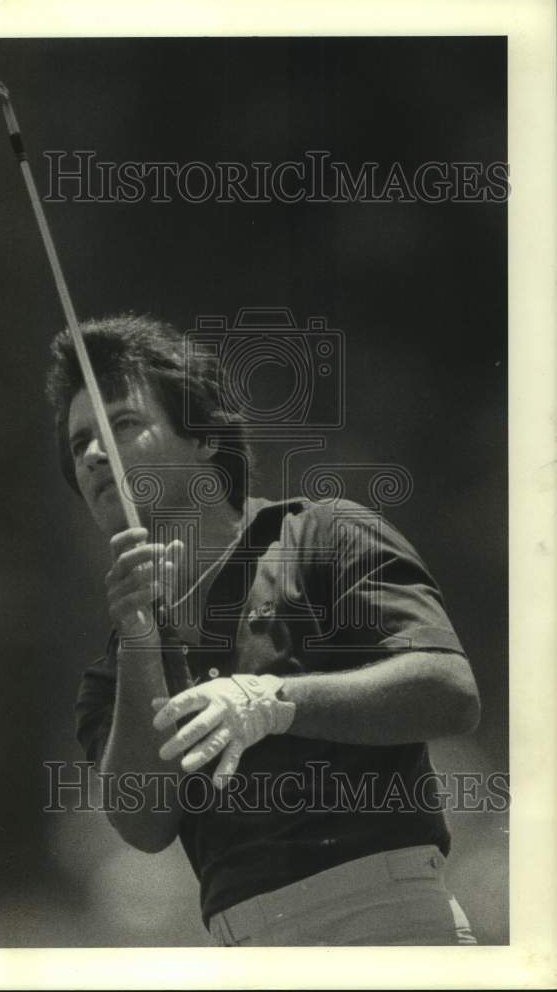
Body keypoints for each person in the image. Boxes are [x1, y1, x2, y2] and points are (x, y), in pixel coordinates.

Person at [45, 312, 481, 946]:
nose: (91, 455)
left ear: (203, 437)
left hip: (391, 924)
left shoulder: (323, 537)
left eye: (123, 424)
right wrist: (143, 640)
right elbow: (143, 826)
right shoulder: (115, 669)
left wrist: (275, 701)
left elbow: (450, 690)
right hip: (244, 950)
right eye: (79, 441)